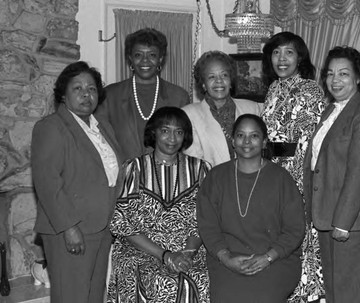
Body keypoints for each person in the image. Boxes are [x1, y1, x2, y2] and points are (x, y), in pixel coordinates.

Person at [31, 61, 123, 303]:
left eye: (92, 89)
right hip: (71, 230)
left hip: (101, 228)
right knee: (71, 297)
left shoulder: (102, 128)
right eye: (78, 88)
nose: (86, 94)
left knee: (93, 296)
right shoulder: (51, 127)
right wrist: (69, 228)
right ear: (63, 94)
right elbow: (48, 184)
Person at [303, 46, 360, 303]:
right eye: (329, 74)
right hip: (327, 216)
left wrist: (342, 222)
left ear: (358, 78)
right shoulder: (331, 110)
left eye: (343, 74)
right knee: (335, 293)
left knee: (349, 294)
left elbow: (359, 172)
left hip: (349, 223)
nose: (334, 80)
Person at [197, 114, 305, 303]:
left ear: (264, 142)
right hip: (226, 260)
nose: (246, 141)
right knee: (227, 297)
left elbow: (295, 229)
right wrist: (226, 258)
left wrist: (268, 257)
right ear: (233, 141)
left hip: (275, 260)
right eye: (240, 135)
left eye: (254, 136)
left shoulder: (281, 179)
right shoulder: (216, 177)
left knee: (262, 297)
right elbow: (208, 226)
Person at [107, 107, 210, 302]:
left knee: (200, 278)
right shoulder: (134, 168)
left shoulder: (201, 169)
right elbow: (120, 222)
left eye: (178, 132)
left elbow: (208, 219)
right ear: (153, 132)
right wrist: (164, 255)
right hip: (141, 251)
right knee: (159, 280)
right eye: (165, 130)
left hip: (189, 250)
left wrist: (187, 253)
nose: (172, 138)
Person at [261, 31, 325, 302]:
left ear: (300, 57)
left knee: (300, 237)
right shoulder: (274, 88)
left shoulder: (310, 89)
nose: (282, 58)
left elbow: (308, 143)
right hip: (271, 171)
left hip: (296, 175)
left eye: (289, 52)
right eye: (276, 52)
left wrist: (288, 175)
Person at [97, 28, 190, 161]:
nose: (145, 61)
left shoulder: (179, 97)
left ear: (160, 59)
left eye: (152, 55)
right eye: (138, 55)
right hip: (123, 175)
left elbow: (185, 143)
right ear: (130, 59)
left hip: (166, 175)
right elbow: (101, 143)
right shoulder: (110, 96)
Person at [182, 50, 263, 167]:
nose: (219, 81)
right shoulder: (188, 115)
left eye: (224, 75)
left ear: (231, 81)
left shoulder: (253, 108)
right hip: (210, 182)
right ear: (203, 84)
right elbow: (194, 164)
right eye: (211, 77)